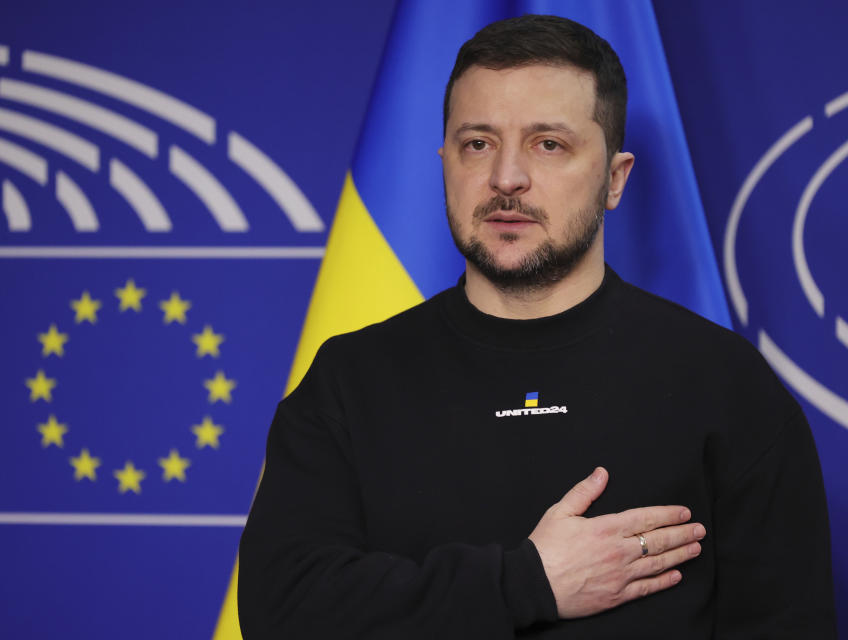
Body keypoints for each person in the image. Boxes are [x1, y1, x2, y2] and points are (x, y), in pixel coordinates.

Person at [238, 14, 835, 639]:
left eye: (548, 143)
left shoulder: (725, 384)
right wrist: (528, 582)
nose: (505, 178)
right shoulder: (350, 380)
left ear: (615, 178)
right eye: (478, 144)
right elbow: (281, 612)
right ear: (444, 162)